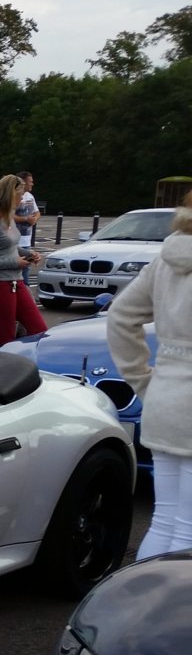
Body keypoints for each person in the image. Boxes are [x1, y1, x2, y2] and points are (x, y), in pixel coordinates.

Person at [107, 192, 192, 559]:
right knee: (188, 531)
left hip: (166, 401)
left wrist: (144, 382)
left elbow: (120, 317)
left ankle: (143, 608)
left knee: (165, 520)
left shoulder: (167, 258)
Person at [0, 174, 47, 348]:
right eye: (19, 195)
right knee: (6, 334)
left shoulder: (8, 219)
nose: (21, 200)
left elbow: (10, 247)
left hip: (15, 280)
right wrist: (15, 263)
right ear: (8, 195)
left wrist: (28, 254)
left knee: (39, 330)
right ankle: (4, 370)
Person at [14, 171, 40, 282]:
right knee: (17, 269)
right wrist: (25, 219)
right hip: (15, 241)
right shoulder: (14, 197)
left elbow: (37, 212)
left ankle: (25, 289)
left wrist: (34, 219)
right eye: (30, 182)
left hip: (26, 241)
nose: (32, 184)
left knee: (26, 269)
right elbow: (9, 216)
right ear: (23, 182)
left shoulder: (30, 197)